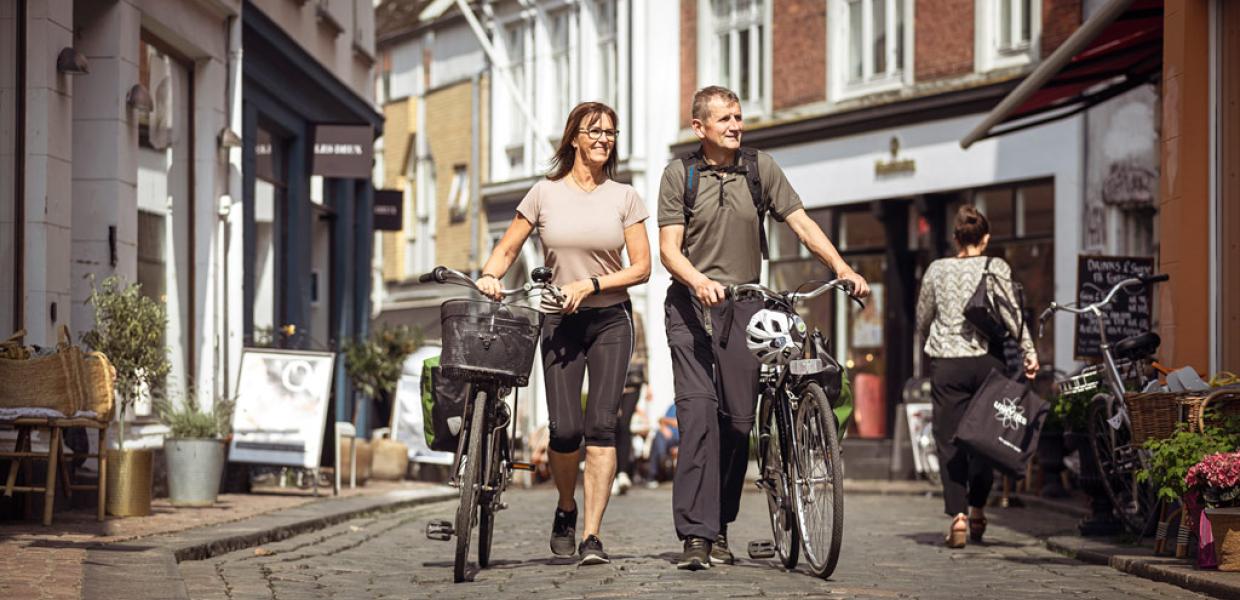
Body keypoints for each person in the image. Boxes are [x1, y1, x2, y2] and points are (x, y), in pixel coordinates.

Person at [657, 86, 869, 570]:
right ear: (699, 127)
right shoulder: (681, 175)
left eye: (738, 116)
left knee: (736, 423)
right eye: (725, 118)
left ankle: (721, 525)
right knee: (697, 419)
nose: (736, 125)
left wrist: (843, 268)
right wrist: (699, 281)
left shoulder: (759, 168)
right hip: (691, 309)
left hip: (747, 307)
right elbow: (670, 250)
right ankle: (695, 535)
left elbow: (802, 225)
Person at [477, 101, 650, 566]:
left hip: (611, 320)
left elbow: (642, 268)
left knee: (601, 428)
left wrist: (591, 284)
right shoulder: (543, 193)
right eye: (595, 131)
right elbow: (508, 247)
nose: (604, 139)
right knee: (566, 429)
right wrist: (490, 276)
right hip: (559, 321)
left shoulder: (625, 197)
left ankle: (592, 536)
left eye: (611, 133)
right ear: (574, 137)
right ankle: (566, 508)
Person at [915, 205, 1038, 548]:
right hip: (987, 362)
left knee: (950, 441)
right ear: (985, 239)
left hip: (947, 365)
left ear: (956, 239)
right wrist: (1028, 352)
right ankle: (980, 509)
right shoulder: (995, 266)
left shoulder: (936, 270)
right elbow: (1014, 314)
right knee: (985, 437)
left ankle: (958, 517)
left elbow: (923, 318)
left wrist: (933, 340)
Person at [612, 311, 647, 496]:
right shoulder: (607, 311)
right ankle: (611, 474)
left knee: (624, 424)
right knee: (611, 425)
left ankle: (623, 473)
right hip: (612, 378)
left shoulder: (636, 316)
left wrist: (648, 383)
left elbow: (643, 348)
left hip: (633, 379)